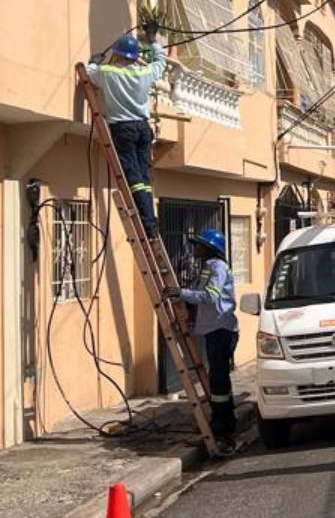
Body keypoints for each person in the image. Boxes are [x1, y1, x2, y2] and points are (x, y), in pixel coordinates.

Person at [85, 29, 169, 240]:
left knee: (134, 178)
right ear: (134, 56)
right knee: (143, 177)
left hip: (123, 129)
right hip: (143, 128)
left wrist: (95, 60)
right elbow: (161, 63)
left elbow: (88, 71)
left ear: (118, 54)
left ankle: (148, 223)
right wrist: (154, 42)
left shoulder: (107, 71)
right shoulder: (144, 73)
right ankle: (151, 222)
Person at [175, 229, 239, 455]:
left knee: (219, 380)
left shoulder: (218, 268)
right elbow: (198, 292)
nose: (197, 249)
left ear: (211, 248)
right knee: (219, 378)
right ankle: (226, 418)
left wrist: (180, 293)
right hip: (214, 329)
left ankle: (222, 423)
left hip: (222, 329)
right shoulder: (207, 268)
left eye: (200, 246)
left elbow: (210, 297)